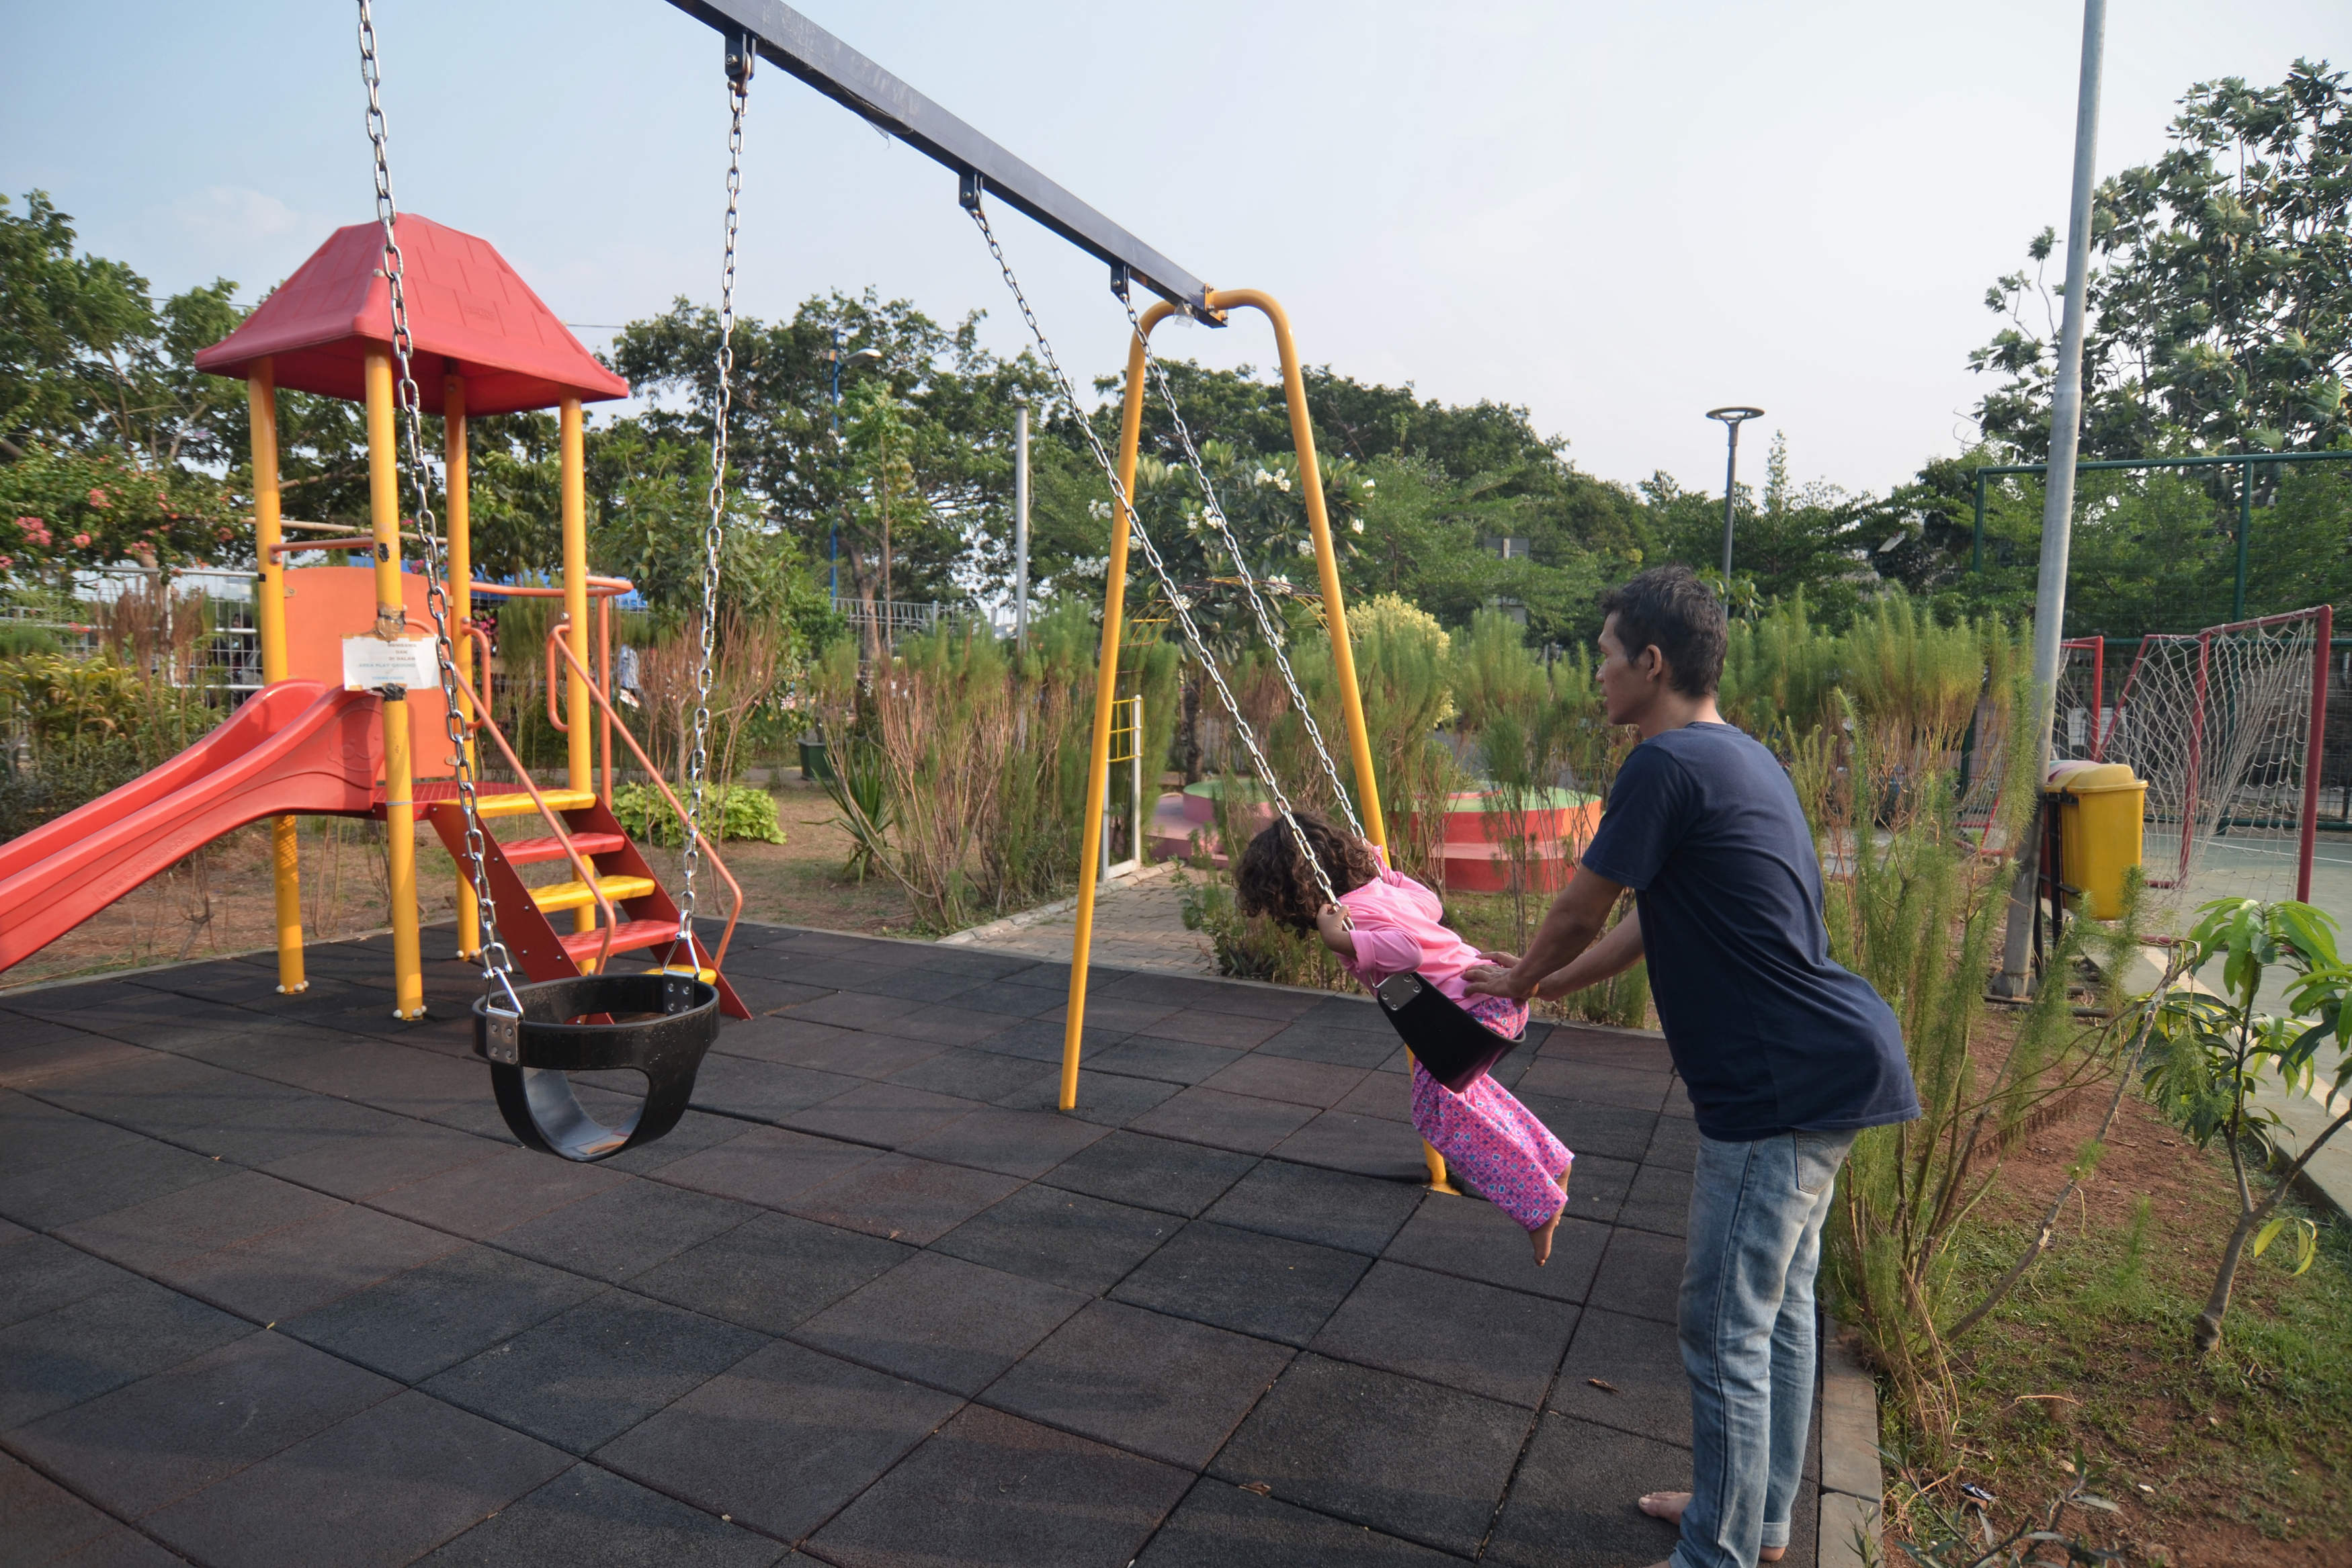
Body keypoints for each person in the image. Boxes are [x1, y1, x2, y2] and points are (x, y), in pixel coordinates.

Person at [1465, 564, 1919, 1568]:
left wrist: (1512, 981)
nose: (1598, 678)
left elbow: (1579, 908)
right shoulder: (1739, 757)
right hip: (1833, 1061)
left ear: (1652, 662)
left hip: (1778, 1086)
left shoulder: (1661, 767)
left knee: (1723, 1329)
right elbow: (1638, 924)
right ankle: (1749, 1521)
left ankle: (1717, 1552)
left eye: (1605, 658)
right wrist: (1537, 983)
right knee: (1780, 1312)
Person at [1233, 812, 1575, 1264]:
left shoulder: (1355, 915)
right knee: (1462, 1096)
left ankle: (1537, 1203)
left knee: (1436, 1113)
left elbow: (1408, 951)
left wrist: (1348, 944)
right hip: (1493, 999)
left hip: (1468, 1015)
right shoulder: (1379, 892)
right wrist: (1389, 874)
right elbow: (1429, 905)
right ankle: (1550, 1158)